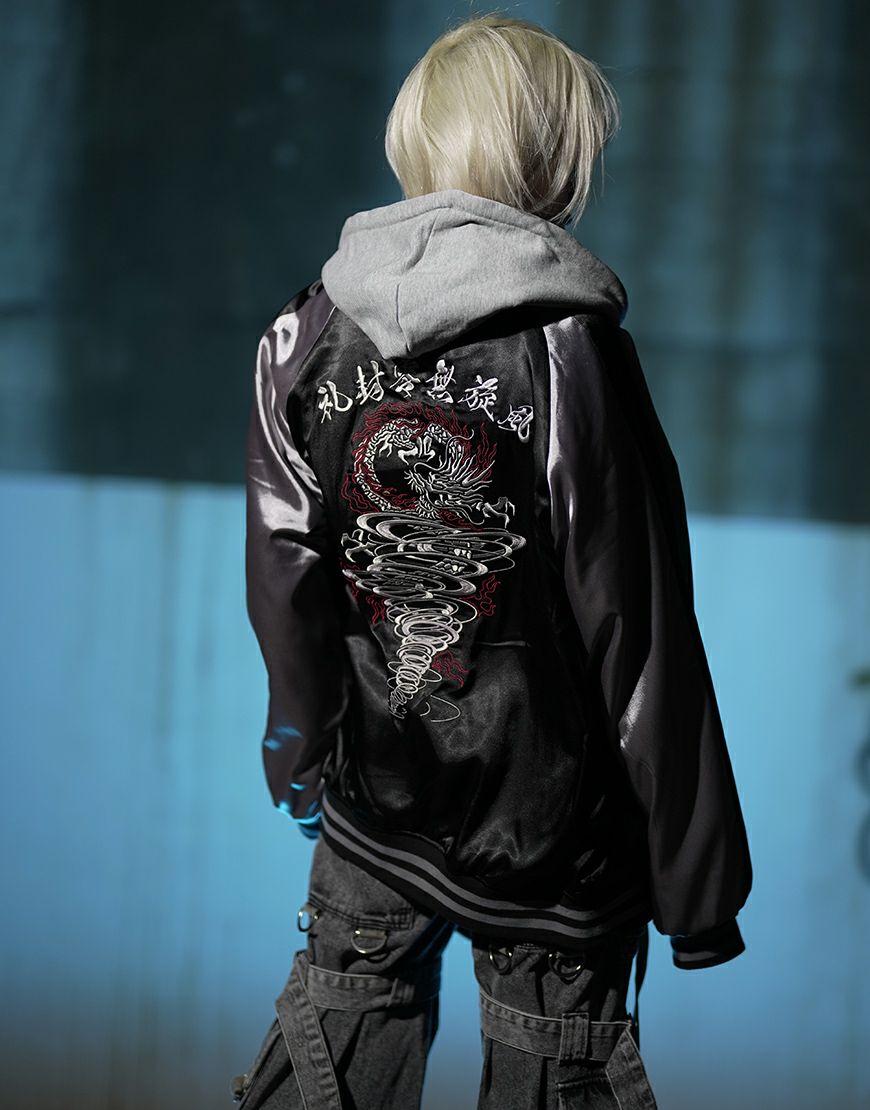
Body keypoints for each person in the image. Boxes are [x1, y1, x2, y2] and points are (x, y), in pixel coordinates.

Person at [232, 13, 753, 1110]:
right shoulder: (572, 357)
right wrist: (698, 887)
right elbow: (640, 639)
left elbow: (286, 586)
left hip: (374, 810)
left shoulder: (303, 336)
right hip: (556, 849)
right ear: (553, 158)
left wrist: (299, 756)